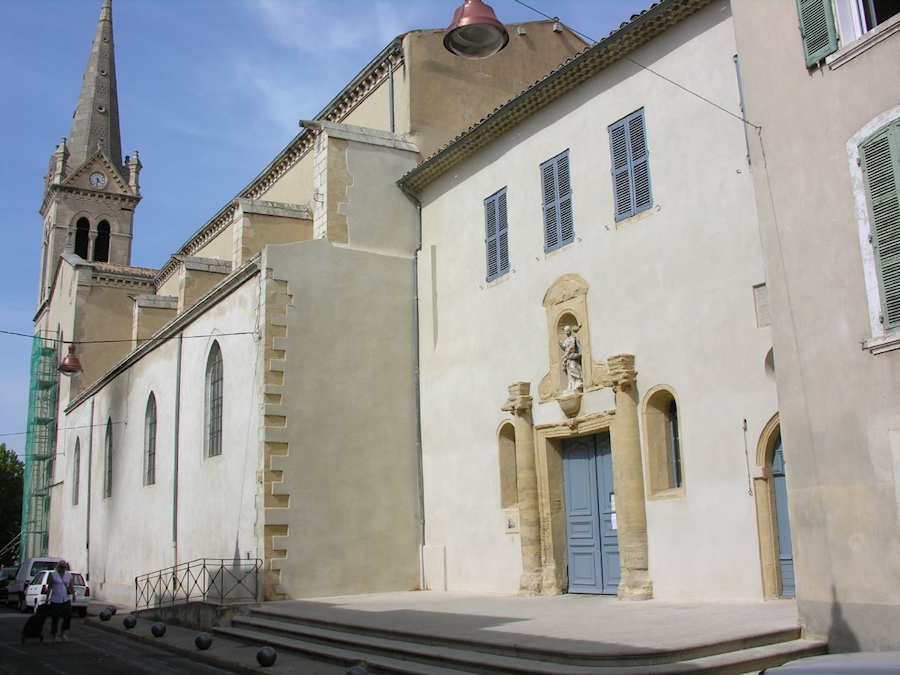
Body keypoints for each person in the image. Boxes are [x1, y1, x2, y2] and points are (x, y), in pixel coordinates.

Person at [46, 560, 75, 642]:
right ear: (58, 567)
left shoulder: (68, 575)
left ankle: (63, 633)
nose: (64, 569)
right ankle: (54, 635)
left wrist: (74, 595)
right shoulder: (53, 575)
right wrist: (47, 597)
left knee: (67, 615)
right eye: (62, 567)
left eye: (65, 567)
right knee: (55, 617)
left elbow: (71, 585)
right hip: (56, 599)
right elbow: (50, 587)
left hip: (65, 598)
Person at [558, 325, 583, 392]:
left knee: (573, 367)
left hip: (572, 356)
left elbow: (572, 347)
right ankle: (572, 385)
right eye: (565, 331)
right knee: (569, 371)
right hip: (568, 357)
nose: (566, 333)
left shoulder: (572, 338)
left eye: (567, 331)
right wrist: (561, 345)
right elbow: (564, 347)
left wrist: (567, 353)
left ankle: (579, 380)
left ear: (569, 331)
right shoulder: (567, 340)